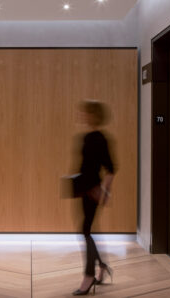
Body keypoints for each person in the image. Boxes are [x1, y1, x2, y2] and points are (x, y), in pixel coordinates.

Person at [72, 100, 115, 296]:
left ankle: (89, 276)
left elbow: (111, 168)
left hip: (92, 191)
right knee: (87, 231)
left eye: (86, 113)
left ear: (94, 115)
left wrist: (104, 191)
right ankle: (102, 267)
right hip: (84, 189)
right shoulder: (87, 137)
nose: (83, 116)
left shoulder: (99, 138)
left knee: (86, 231)